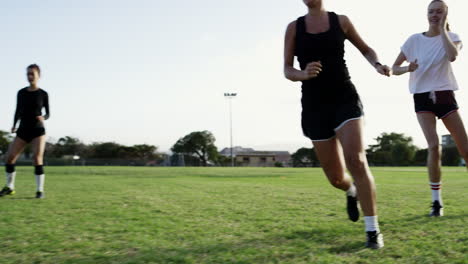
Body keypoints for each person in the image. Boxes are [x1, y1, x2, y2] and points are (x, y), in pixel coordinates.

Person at [283, 0, 391, 249]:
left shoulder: (340, 21)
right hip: (314, 106)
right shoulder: (293, 28)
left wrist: (376, 64)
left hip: (344, 98)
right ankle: (351, 190)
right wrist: (303, 74)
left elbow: (366, 49)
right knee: (335, 178)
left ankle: (373, 230)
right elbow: (287, 69)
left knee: (357, 160)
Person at [392, 0, 466, 217]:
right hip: (422, 97)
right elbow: (395, 69)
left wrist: (442, 29)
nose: (434, 15)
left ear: (446, 14)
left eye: (439, 12)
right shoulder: (414, 40)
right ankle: (436, 202)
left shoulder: (453, 37)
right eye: (431, 12)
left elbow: (453, 56)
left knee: (466, 148)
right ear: (426, 14)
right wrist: (408, 68)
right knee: (434, 146)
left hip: (445, 95)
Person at [0, 64, 50, 199]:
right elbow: (18, 110)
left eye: (32, 74)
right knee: (9, 157)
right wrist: (14, 124)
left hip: (38, 130)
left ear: (39, 76)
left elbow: (48, 113)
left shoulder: (43, 94)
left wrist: (43, 117)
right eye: (28, 74)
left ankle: (40, 191)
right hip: (23, 129)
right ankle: (10, 187)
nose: (30, 76)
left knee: (37, 158)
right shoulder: (21, 92)